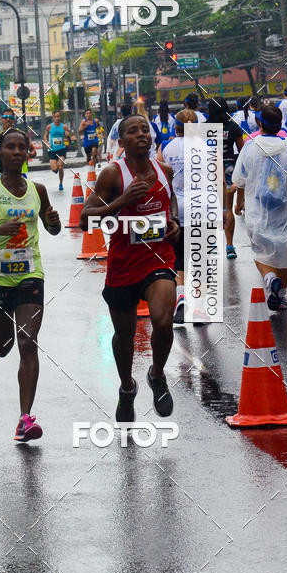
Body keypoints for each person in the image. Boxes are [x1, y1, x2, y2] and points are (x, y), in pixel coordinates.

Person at [0, 127, 61, 442]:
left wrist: (54, 223)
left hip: (31, 275)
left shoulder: (39, 190)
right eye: (11, 148)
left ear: (28, 153)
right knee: (4, 348)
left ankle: (25, 418)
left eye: (22, 147)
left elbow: (52, 228)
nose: (17, 152)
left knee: (28, 342)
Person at [81, 115, 180, 423]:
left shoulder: (164, 170)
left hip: (158, 258)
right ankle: (127, 388)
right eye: (132, 132)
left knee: (163, 321)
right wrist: (121, 201)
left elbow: (171, 200)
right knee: (124, 336)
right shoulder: (112, 174)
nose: (141, 135)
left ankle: (157, 374)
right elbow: (86, 218)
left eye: (144, 130)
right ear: (121, 143)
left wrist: (174, 221)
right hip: (123, 265)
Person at [232, 103, 287, 311]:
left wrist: (239, 202)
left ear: (259, 123)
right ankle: (282, 295)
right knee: (285, 251)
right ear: (279, 123)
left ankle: (270, 279)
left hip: (258, 208)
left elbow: (239, 180)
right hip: (285, 207)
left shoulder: (250, 146)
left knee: (259, 251)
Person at [157, 109, 197, 324]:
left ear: (176, 128)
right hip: (202, 207)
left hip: (177, 208)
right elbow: (219, 182)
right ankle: (200, 309)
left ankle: (181, 295)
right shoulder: (207, 147)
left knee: (179, 255)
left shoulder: (165, 147)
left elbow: (159, 177)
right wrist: (224, 210)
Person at [206, 97, 244, 260]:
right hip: (229, 169)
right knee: (227, 208)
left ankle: (212, 246)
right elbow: (242, 150)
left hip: (209, 171)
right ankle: (229, 246)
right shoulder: (233, 126)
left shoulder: (203, 128)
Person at [0, 111, 36, 175]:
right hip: (2, 174)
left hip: (20, 174)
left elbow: (33, 151)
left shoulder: (22, 136)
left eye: (10, 117)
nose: (8, 119)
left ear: (14, 120)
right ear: (1, 120)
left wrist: (28, 155)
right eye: (5, 117)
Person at [44, 110, 71, 190]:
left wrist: (68, 136)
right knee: (54, 169)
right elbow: (45, 136)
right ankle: (56, 170)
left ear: (60, 117)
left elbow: (68, 137)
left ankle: (61, 183)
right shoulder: (49, 127)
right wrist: (47, 143)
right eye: (55, 117)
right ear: (53, 118)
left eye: (58, 116)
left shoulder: (64, 126)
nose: (57, 118)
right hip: (52, 150)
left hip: (62, 149)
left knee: (60, 167)